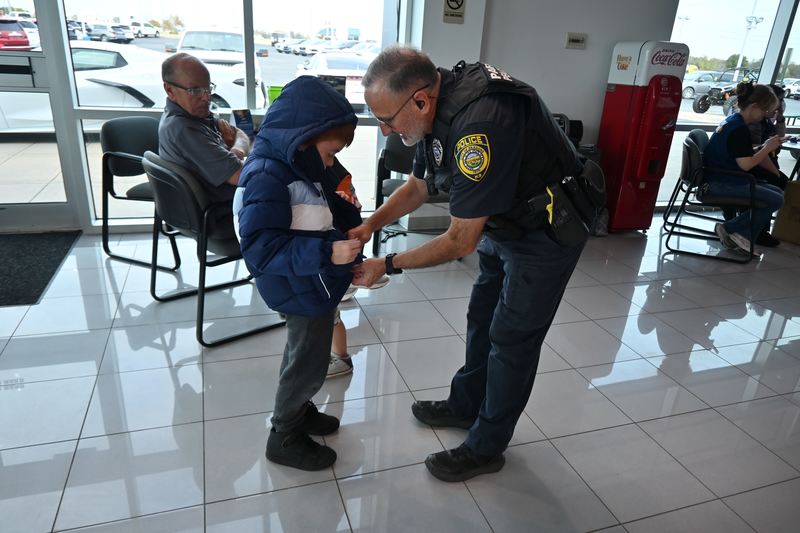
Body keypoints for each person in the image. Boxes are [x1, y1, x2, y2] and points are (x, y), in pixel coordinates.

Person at [349, 46, 587, 482]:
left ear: (419, 99)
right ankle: (465, 405)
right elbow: (419, 187)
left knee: (512, 339)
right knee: (482, 319)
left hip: (546, 230)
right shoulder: (434, 108)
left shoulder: (482, 122)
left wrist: (388, 263)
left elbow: (459, 240)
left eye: (386, 119)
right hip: (503, 222)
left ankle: (487, 446)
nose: (384, 132)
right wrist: (369, 226)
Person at [234, 75, 363, 471]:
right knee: (306, 363)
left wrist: (349, 227)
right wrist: (327, 252)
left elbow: (322, 208)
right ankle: (284, 433)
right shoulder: (267, 175)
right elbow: (260, 249)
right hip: (298, 287)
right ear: (304, 137)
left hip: (312, 283)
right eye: (330, 153)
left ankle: (300, 410)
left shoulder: (302, 163)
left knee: (305, 354)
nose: (332, 161)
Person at [159, 53, 250, 204]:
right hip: (226, 208)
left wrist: (237, 150)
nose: (206, 98)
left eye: (208, 89)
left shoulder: (196, 114)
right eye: (195, 91)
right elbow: (241, 175)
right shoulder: (184, 129)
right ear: (169, 90)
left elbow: (239, 133)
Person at [704, 82, 785, 254]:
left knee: (777, 193)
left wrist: (761, 147)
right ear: (754, 106)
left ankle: (736, 231)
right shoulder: (739, 129)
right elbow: (746, 164)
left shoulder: (732, 121)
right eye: (764, 111)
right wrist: (766, 149)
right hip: (722, 183)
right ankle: (736, 231)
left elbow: (740, 154)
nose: (765, 116)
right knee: (777, 199)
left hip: (717, 178)